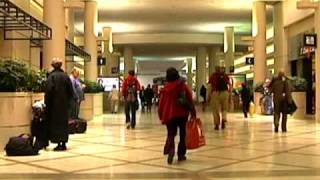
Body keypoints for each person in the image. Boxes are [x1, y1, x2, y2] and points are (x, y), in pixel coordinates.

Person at [158, 67, 196, 165]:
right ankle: (181, 154)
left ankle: (171, 150)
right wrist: (193, 112)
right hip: (182, 114)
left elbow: (161, 104)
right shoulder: (182, 86)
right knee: (183, 134)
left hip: (169, 115)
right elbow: (189, 99)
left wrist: (161, 115)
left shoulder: (165, 89)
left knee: (171, 134)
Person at [45, 58, 74, 151]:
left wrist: (47, 102)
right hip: (64, 105)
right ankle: (63, 143)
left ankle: (58, 143)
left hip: (54, 105)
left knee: (56, 124)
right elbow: (71, 91)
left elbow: (49, 91)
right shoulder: (66, 76)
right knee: (63, 124)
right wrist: (68, 102)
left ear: (53, 66)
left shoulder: (51, 76)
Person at [207, 66, 232, 130]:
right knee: (224, 108)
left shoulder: (213, 76)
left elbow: (209, 87)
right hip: (225, 93)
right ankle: (224, 118)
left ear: (215, 69)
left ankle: (217, 124)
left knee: (215, 110)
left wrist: (208, 96)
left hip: (215, 93)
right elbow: (230, 85)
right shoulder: (225, 76)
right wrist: (229, 95)